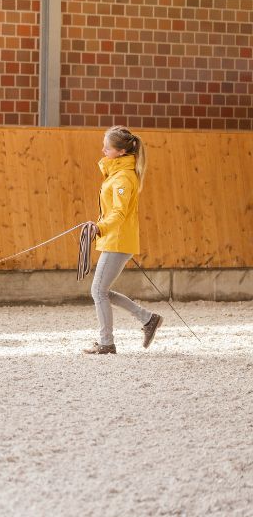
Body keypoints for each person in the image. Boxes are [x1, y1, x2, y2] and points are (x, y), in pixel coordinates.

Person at [83, 126, 163, 355]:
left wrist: (99, 228)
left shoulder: (124, 178)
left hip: (117, 241)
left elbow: (119, 213)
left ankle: (106, 342)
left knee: (98, 290)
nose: (103, 150)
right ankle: (148, 319)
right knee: (102, 290)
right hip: (114, 240)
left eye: (107, 147)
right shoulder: (117, 174)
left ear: (119, 151)